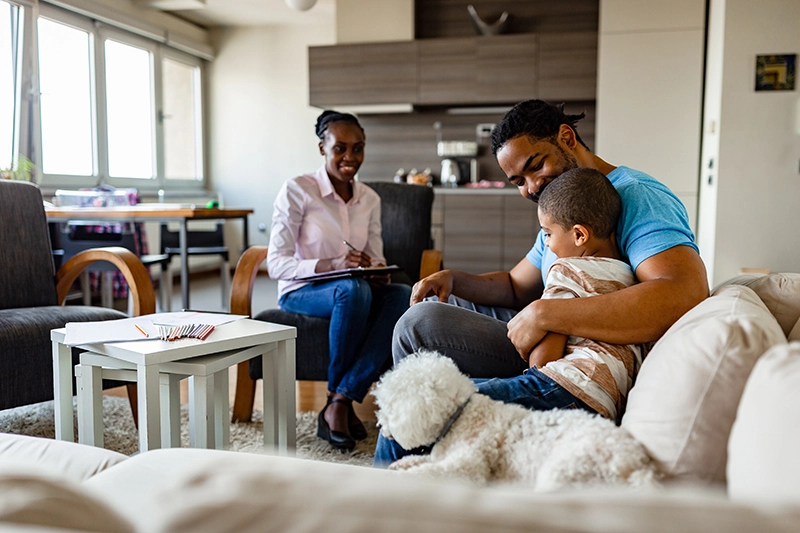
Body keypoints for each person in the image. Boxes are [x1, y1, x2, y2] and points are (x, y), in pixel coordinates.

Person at [374, 99, 709, 465]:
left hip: (575, 356)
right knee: (430, 309)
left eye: (535, 166)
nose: (532, 186)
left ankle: (414, 448)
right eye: (518, 181)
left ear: (566, 138)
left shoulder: (635, 195)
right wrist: (453, 279)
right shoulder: (563, 203)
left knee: (418, 327)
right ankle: (428, 449)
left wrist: (549, 316)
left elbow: (683, 291)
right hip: (552, 336)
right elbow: (518, 286)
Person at [374, 167, 644, 465]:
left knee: (414, 410)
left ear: (579, 235)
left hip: (563, 390)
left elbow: (543, 362)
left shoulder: (567, 270)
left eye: (548, 234)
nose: (548, 245)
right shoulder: (628, 276)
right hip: (604, 403)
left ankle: (375, 500)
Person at [267, 110, 412, 451]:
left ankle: (340, 400)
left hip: (354, 290)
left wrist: (376, 270)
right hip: (301, 291)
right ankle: (338, 401)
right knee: (352, 289)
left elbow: (375, 255)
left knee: (401, 294)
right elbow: (276, 263)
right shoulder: (297, 190)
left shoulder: (369, 199)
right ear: (322, 148)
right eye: (340, 149)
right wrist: (332, 264)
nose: (350, 158)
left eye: (358, 149)